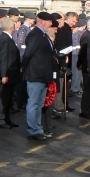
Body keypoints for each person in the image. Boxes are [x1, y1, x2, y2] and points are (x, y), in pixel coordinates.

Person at [22, 12, 58, 141]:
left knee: (39, 103)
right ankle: (33, 130)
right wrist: (24, 68)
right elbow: (27, 54)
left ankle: (38, 127)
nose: (51, 24)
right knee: (33, 103)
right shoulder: (35, 35)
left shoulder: (43, 35)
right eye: (49, 21)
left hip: (43, 75)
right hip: (36, 74)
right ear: (42, 21)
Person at [0, 16, 21, 129]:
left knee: (7, 98)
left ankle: (6, 118)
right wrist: (4, 75)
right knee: (2, 97)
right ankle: (0, 120)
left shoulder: (6, 38)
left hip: (10, 75)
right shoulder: (4, 38)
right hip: (6, 75)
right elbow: (3, 58)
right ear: (11, 27)